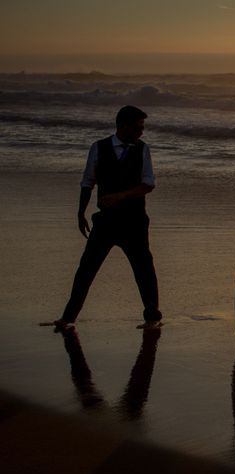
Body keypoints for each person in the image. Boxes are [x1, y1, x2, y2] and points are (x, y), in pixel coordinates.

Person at [54, 105, 162, 329]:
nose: (140, 132)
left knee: (144, 268)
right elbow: (88, 181)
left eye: (142, 128)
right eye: (136, 128)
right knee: (87, 268)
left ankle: (152, 316)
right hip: (106, 222)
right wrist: (80, 212)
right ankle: (68, 317)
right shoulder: (98, 148)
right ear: (122, 125)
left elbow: (148, 184)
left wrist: (121, 195)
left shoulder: (143, 149)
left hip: (134, 221)